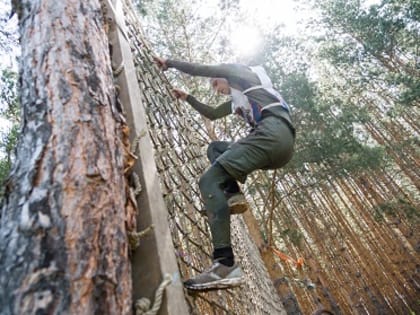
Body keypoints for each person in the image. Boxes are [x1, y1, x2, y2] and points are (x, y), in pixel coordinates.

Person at [154, 57, 295, 291]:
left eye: (216, 86)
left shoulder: (242, 74)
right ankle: (232, 193)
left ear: (222, 77)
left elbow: (202, 69)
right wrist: (187, 97)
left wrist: (169, 63)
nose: (217, 91)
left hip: (273, 134)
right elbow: (211, 113)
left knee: (209, 180)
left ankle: (224, 263)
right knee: (215, 148)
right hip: (279, 144)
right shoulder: (240, 97)